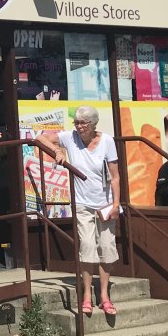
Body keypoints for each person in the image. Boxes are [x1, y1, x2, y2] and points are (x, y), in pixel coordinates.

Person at [50, 105, 121, 316]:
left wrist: (117, 204)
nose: (79, 127)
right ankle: (87, 295)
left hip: (105, 203)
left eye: (83, 123)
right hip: (82, 203)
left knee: (107, 248)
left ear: (93, 124)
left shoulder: (107, 141)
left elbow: (115, 176)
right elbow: (43, 137)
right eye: (77, 123)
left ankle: (105, 296)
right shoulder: (70, 137)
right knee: (87, 246)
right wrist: (58, 151)